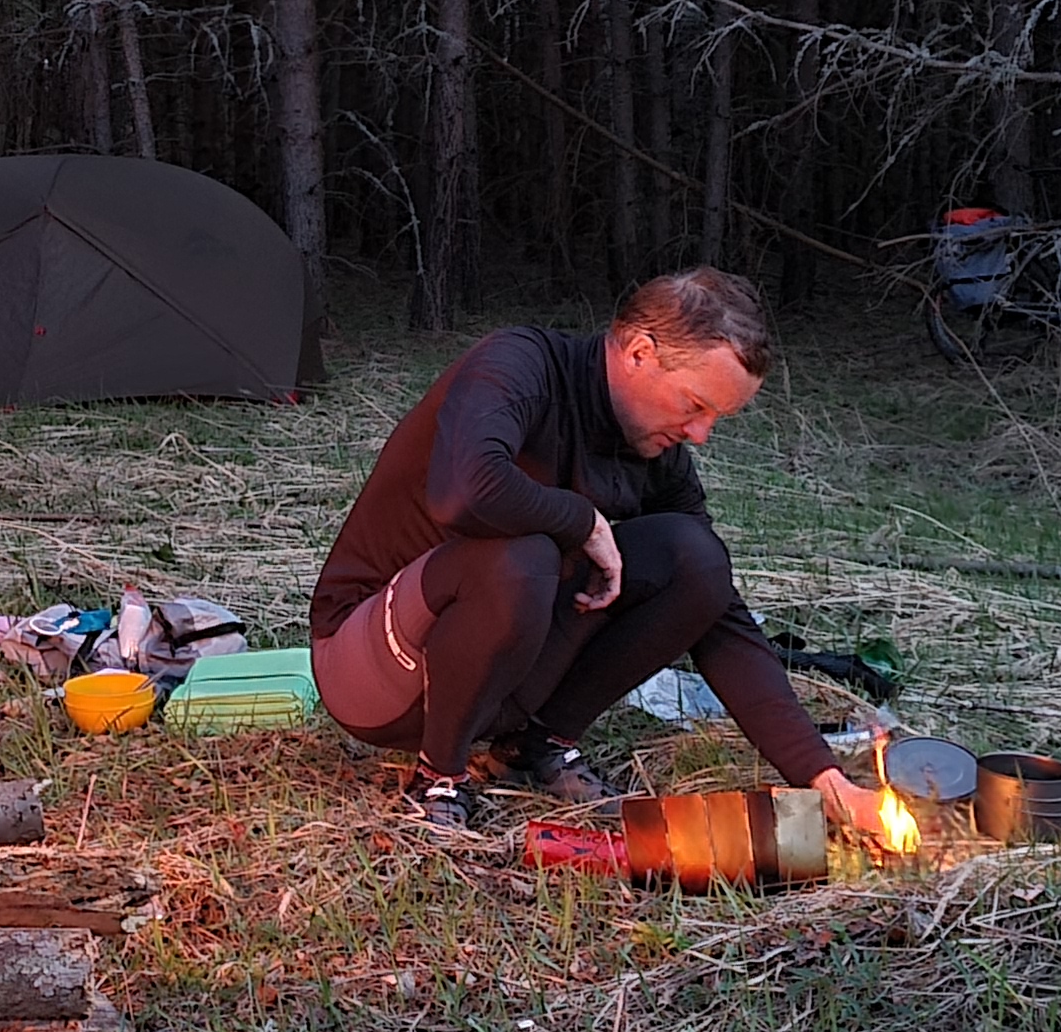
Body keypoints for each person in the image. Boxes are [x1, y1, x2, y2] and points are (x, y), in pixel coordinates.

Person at [306, 268, 877, 839]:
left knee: (695, 558)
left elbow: (718, 614)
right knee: (524, 557)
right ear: (639, 352)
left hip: (500, 673)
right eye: (694, 405)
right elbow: (464, 493)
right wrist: (582, 521)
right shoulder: (519, 366)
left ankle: (537, 744)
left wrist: (826, 782)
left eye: (715, 419)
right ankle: (440, 777)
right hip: (370, 666)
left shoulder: (655, 453)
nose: (700, 434)